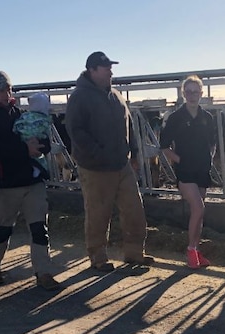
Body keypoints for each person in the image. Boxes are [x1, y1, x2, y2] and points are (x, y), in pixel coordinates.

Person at [0, 70, 62, 290]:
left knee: (39, 227)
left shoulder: (21, 113)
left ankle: (43, 273)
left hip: (33, 180)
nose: (6, 93)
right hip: (5, 182)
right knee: (3, 230)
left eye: (9, 89)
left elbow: (43, 140)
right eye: (1, 89)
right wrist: (25, 149)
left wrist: (41, 146)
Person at [64, 51, 153, 272]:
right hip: (95, 167)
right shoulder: (79, 97)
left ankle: (134, 253)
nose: (111, 71)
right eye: (106, 68)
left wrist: (134, 153)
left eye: (110, 68)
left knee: (134, 210)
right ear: (92, 70)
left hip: (122, 163)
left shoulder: (116, 96)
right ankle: (98, 257)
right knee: (98, 213)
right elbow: (75, 131)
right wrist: (98, 153)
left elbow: (129, 125)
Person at [159, 75, 215, 269]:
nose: (192, 95)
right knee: (199, 208)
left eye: (196, 92)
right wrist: (180, 161)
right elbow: (164, 146)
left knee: (198, 213)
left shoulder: (207, 117)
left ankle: (197, 251)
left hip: (202, 169)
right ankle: (191, 249)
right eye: (188, 92)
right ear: (183, 94)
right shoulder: (176, 118)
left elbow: (212, 143)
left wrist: (209, 159)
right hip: (185, 171)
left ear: (201, 93)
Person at [13, 92, 52, 179]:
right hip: (36, 140)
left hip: (23, 138)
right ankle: (40, 170)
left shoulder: (24, 115)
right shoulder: (44, 119)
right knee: (38, 155)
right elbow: (45, 131)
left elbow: (17, 125)